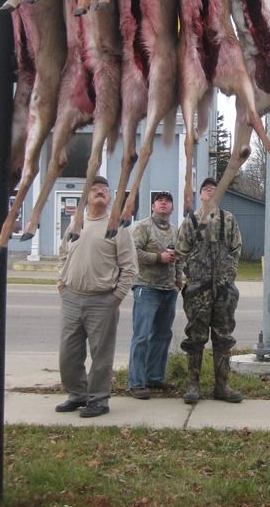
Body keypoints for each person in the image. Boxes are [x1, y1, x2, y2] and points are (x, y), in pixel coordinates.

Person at [55, 175, 138, 418]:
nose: (100, 191)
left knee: (101, 356)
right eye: (95, 188)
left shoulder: (117, 227)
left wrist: (116, 297)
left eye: (104, 189)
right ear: (86, 196)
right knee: (68, 354)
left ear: (110, 197)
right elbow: (63, 254)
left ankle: (99, 400)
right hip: (71, 298)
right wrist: (62, 283)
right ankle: (77, 394)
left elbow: (129, 267)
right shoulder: (76, 224)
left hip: (103, 301)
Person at [175, 177, 243, 405]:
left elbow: (236, 249)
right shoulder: (191, 221)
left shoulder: (229, 220)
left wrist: (227, 277)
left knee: (223, 337)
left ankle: (222, 385)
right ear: (201, 195)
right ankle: (192, 384)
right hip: (197, 291)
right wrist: (190, 277)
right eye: (206, 190)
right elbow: (181, 252)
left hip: (224, 290)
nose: (210, 192)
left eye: (214, 189)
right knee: (195, 337)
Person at [127, 190, 183, 399]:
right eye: (159, 200)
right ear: (153, 206)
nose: (163, 203)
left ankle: (154, 377)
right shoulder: (143, 227)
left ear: (172, 208)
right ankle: (136, 382)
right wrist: (158, 258)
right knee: (142, 336)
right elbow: (134, 253)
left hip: (169, 290)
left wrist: (178, 280)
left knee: (162, 335)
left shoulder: (175, 231)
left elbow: (179, 258)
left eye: (168, 201)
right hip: (146, 287)